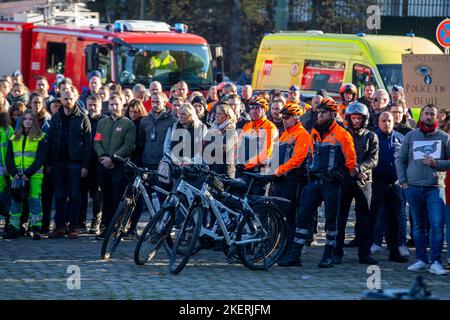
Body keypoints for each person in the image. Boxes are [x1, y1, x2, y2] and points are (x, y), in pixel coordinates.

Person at [277, 97, 356, 268]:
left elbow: (351, 162)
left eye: (324, 112)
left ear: (332, 114)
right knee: (303, 216)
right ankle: (295, 255)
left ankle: (329, 254)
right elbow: (311, 155)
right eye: (319, 112)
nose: (319, 115)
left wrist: (342, 175)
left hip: (332, 183)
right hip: (313, 181)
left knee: (331, 219)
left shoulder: (343, 134)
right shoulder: (313, 132)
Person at [397, 104, 450, 275]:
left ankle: (435, 261)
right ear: (421, 116)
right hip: (413, 187)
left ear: (437, 117)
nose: (428, 116)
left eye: (432, 114)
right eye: (426, 113)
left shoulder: (444, 138)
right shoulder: (411, 136)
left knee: (436, 225)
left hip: (435, 188)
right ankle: (421, 259)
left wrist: (437, 164)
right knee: (418, 226)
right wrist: (403, 182)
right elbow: (401, 160)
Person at [334, 102, 379, 265]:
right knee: (341, 217)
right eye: (353, 117)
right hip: (345, 180)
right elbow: (338, 157)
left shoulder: (371, 136)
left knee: (364, 218)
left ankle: (364, 253)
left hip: (364, 180)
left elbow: (373, 159)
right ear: (348, 118)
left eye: (359, 118)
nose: (356, 121)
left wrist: (360, 168)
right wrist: (349, 170)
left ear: (364, 119)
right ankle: (337, 252)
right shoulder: (342, 135)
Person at [48, 90, 91, 239]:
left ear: (76, 98)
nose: (68, 101)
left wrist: (85, 165)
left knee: (74, 196)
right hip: (58, 162)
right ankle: (59, 227)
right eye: (65, 98)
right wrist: (49, 163)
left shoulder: (82, 118)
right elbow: (50, 140)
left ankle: (72, 227)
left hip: (76, 163)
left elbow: (88, 144)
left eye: (70, 98)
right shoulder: (55, 117)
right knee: (59, 196)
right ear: (61, 99)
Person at [94, 94, 136, 239]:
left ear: (122, 105)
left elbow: (128, 145)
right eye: (111, 104)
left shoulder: (128, 124)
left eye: (116, 104)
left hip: (119, 166)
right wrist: (103, 157)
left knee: (117, 197)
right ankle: (106, 226)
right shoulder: (102, 123)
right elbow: (97, 141)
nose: (114, 107)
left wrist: (113, 158)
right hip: (104, 165)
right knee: (105, 197)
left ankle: (117, 226)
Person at [369, 111, 408, 262]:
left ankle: (394, 250)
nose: (387, 123)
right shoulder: (372, 137)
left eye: (389, 121)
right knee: (373, 215)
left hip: (395, 183)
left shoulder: (401, 138)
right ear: (378, 122)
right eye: (384, 121)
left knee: (395, 217)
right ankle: (367, 247)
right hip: (376, 182)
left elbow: (406, 159)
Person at [271, 102, 311, 247]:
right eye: (283, 117)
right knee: (279, 212)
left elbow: (298, 159)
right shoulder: (284, 134)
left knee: (290, 215)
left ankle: (290, 247)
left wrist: (280, 170)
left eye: (287, 117)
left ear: (296, 117)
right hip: (280, 180)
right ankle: (280, 243)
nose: (284, 120)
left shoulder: (302, 134)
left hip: (293, 180)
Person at [3, 110, 48, 240]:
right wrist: (15, 174)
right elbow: (9, 158)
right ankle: (14, 228)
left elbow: (40, 159)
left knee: (34, 202)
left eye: (30, 119)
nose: (27, 121)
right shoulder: (14, 137)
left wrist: (27, 174)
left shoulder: (41, 137)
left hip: (34, 176)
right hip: (16, 177)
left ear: (34, 121)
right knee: (15, 204)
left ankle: (35, 228)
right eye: (25, 119)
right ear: (21, 121)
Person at [236, 97, 278, 191]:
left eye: (257, 108)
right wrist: (237, 161)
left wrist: (246, 165)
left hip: (260, 172)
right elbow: (239, 146)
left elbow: (266, 153)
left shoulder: (270, 127)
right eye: (251, 108)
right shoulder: (248, 125)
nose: (253, 111)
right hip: (245, 171)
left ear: (264, 110)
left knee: (256, 202)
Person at [78, 95, 105, 235]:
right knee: (81, 193)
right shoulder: (83, 119)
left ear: (100, 106)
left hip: (99, 162)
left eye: (95, 105)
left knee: (97, 194)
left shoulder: (104, 121)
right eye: (90, 105)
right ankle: (81, 222)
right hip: (84, 162)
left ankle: (96, 223)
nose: (92, 107)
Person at [204, 102, 238, 178]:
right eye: (216, 113)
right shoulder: (213, 129)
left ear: (228, 117)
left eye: (220, 114)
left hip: (224, 172)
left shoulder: (232, 132)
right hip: (211, 169)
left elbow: (221, 149)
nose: (216, 116)